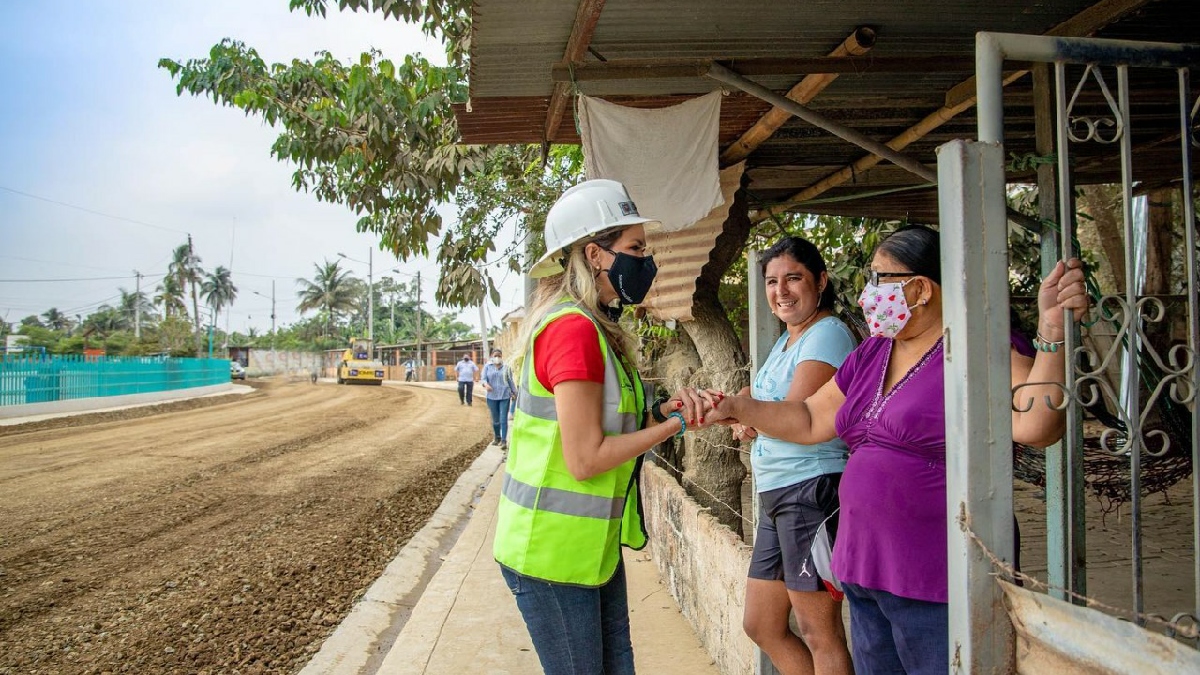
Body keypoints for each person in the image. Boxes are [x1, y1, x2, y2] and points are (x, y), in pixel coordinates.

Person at [706, 225, 1088, 674]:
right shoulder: (873, 353)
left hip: (933, 573)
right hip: (864, 565)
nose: (868, 293)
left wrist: (1052, 334)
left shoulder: (974, 350)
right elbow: (809, 419)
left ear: (921, 288)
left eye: (878, 279)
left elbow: (1037, 425)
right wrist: (738, 407)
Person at [494, 178, 706, 675]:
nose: (645, 260)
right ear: (595, 254)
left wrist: (658, 414)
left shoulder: (596, 328)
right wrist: (674, 424)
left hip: (589, 552)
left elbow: (609, 427)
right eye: (635, 248)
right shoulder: (573, 331)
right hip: (551, 556)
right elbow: (586, 458)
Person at [731, 237, 857, 675]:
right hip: (777, 492)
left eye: (793, 278)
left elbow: (799, 418)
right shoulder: (788, 340)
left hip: (811, 490)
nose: (780, 291)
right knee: (762, 624)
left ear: (820, 281)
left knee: (819, 632)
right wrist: (745, 409)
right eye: (771, 281)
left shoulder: (828, 334)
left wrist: (744, 411)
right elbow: (768, 404)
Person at [480, 347, 516, 447]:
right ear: (492, 356)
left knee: (503, 419)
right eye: (495, 356)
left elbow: (510, 381)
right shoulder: (487, 367)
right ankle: (497, 437)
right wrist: (486, 385)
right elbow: (483, 379)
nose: (497, 358)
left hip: (504, 396)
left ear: (501, 357)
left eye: (499, 356)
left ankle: (504, 440)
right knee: (495, 420)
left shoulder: (506, 367)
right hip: (491, 397)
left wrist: (514, 392)